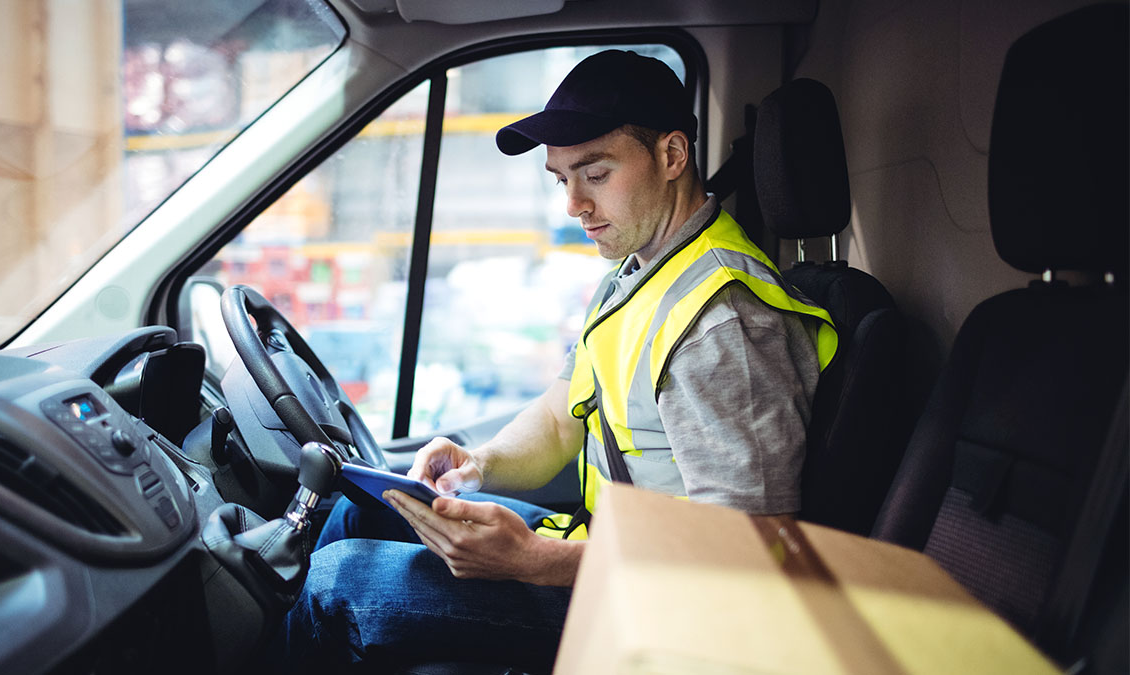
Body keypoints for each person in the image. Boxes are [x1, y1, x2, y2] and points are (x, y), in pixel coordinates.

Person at [277, 49, 837, 673]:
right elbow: (558, 417)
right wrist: (477, 466)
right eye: (561, 179)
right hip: (610, 551)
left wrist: (534, 562)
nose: (573, 205)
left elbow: (751, 555)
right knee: (363, 510)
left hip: (670, 620)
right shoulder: (642, 273)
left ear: (672, 157)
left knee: (337, 583)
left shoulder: (723, 323)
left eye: (595, 175)